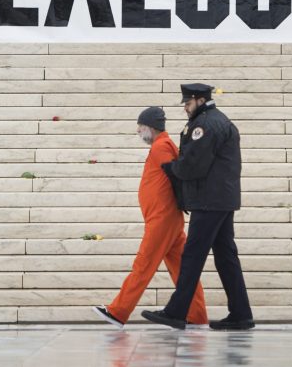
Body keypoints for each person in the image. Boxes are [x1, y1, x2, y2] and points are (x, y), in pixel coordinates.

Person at [142, 84, 254, 331]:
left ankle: (176, 311)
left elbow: (192, 165)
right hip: (221, 199)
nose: (185, 108)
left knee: (192, 256)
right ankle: (241, 313)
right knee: (226, 258)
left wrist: (171, 168)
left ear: (200, 100)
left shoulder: (205, 125)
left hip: (209, 200)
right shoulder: (219, 120)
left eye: (187, 103)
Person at [93, 107, 208, 329]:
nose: (138, 131)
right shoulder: (162, 145)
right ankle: (197, 315)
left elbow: (176, 174)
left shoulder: (162, 146)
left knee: (143, 265)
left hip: (162, 220)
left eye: (140, 127)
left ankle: (118, 311)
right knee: (184, 270)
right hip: (166, 219)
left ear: (150, 127)